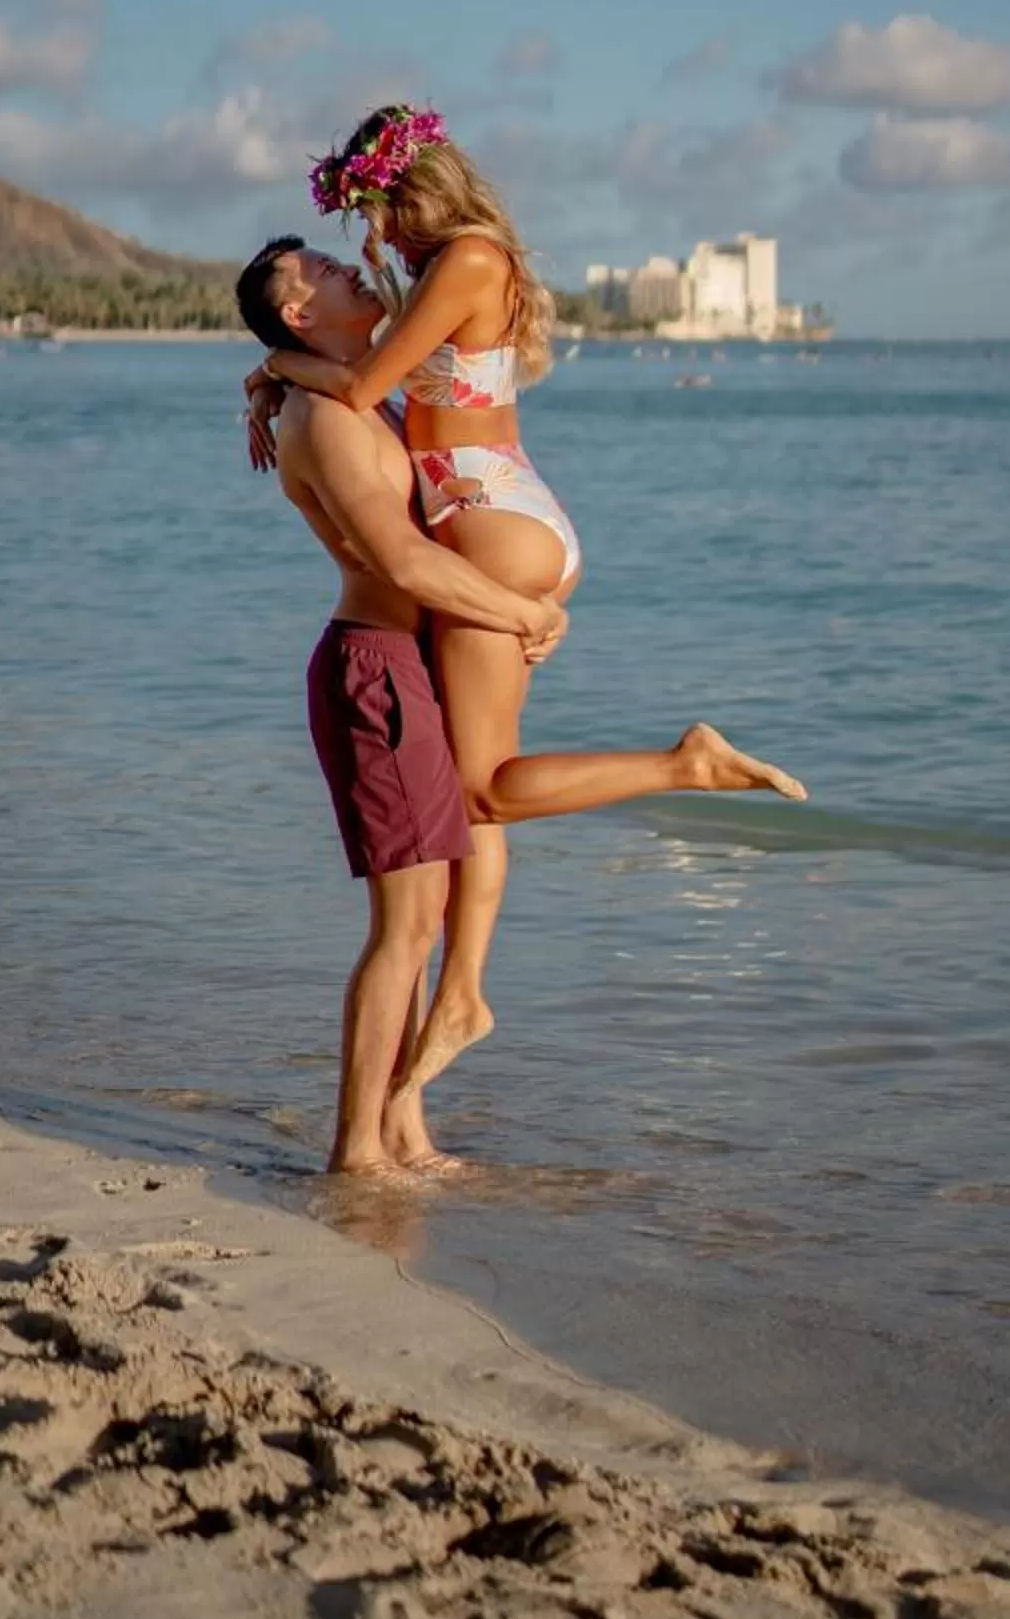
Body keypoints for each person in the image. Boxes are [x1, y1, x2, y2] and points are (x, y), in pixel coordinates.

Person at [238, 215, 803, 1162]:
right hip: (375, 672)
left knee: (429, 913)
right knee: (403, 927)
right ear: (299, 312)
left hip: (411, 661)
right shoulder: (326, 421)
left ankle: (404, 1127)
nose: (350, 268)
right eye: (327, 270)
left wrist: (271, 370)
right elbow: (400, 558)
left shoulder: (356, 398)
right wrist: (517, 611)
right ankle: (356, 1151)